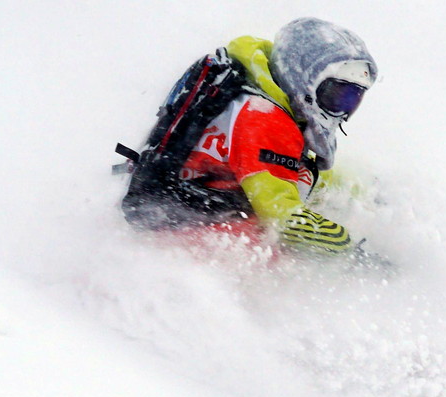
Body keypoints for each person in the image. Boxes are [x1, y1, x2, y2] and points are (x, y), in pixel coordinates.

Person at [121, 17, 376, 257]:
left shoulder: (258, 94)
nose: (342, 110)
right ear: (303, 77)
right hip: (188, 227)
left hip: (197, 202)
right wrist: (351, 252)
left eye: (353, 98)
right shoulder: (266, 119)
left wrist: (365, 192)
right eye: (337, 95)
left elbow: (299, 170)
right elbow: (280, 215)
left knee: (306, 186)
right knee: (281, 248)